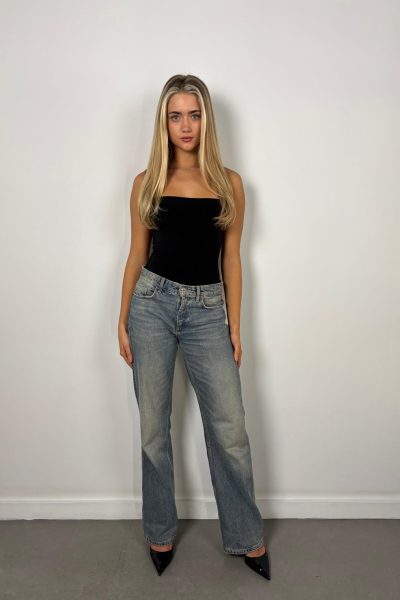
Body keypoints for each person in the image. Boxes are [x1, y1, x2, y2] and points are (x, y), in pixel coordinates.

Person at [118, 74, 271, 580]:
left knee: (230, 430)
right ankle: (159, 530)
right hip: (152, 305)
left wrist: (234, 325)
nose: (186, 125)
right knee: (152, 429)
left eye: (195, 114)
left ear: (207, 120)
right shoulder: (146, 182)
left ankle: (246, 536)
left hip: (208, 310)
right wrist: (122, 318)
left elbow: (232, 258)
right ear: (163, 123)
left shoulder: (229, 184)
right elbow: (136, 255)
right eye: (175, 116)